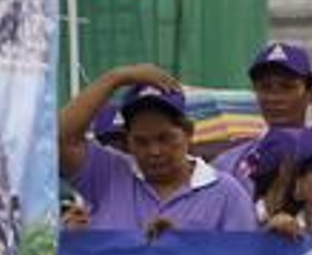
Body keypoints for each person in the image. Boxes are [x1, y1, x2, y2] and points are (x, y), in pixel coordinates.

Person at [58, 65, 256, 235]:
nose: (154, 151)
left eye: (165, 138)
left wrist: (185, 246)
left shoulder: (226, 194)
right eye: (141, 142)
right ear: (127, 142)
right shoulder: (108, 176)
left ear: (188, 133)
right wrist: (118, 77)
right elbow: (61, 138)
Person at [211, 42, 312, 186]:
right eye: (265, 87)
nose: (274, 98)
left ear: (311, 93)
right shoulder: (229, 164)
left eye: (287, 87)